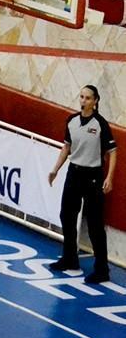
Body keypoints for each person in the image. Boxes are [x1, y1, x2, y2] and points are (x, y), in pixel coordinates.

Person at [48, 85, 117, 284]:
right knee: (66, 215)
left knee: (95, 224)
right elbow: (67, 147)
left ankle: (102, 269)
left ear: (95, 101)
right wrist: (56, 169)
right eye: (81, 97)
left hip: (93, 176)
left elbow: (112, 152)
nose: (83, 101)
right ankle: (70, 258)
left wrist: (109, 178)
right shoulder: (71, 121)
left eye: (88, 98)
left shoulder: (100, 124)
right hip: (74, 173)